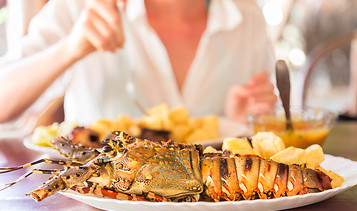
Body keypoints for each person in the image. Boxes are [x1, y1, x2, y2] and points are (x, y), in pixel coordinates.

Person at [0, 0, 277, 127]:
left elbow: (256, 128)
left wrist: (241, 123)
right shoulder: (79, 6)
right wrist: (71, 48)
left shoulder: (247, 17)